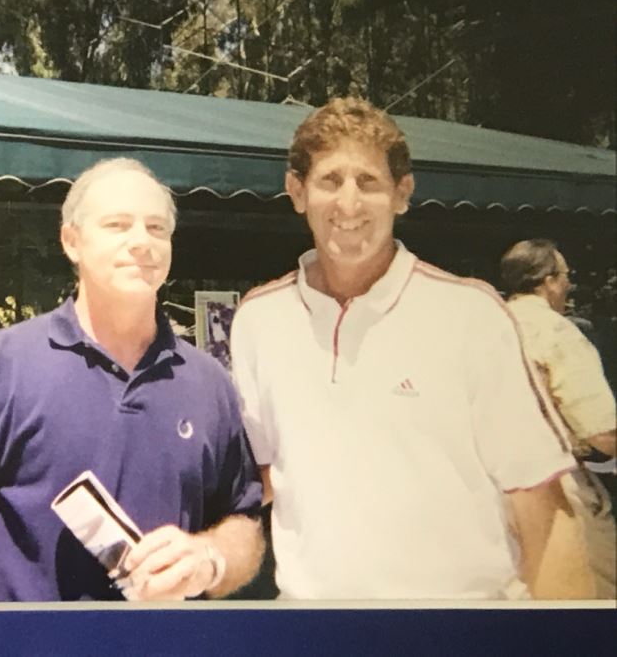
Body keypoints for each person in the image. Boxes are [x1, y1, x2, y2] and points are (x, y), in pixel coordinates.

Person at [230, 97, 593, 600]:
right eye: (330, 181)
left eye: (370, 182)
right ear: (297, 192)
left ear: (403, 194)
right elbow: (261, 478)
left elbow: (544, 509)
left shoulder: (471, 315)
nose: (349, 204)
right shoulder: (257, 321)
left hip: (460, 630)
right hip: (314, 633)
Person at [0, 158, 264, 602]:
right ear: (71, 241)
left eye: (156, 228)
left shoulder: (209, 384)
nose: (140, 242)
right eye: (117, 224)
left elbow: (244, 524)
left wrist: (209, 557)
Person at [501, 239, 616, 598]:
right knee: (590, 605)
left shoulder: (487, 325)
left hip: (488, 492)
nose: (568, 284)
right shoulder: (556, 331)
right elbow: (603, 431)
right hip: (554, 489)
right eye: (566, 276)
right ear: (548, 281)